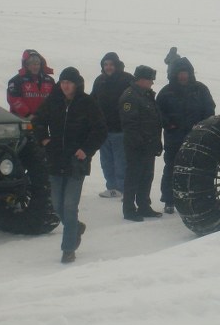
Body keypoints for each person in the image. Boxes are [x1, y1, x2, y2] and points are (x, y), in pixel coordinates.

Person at [33, 67, 107, 264]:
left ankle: (68, 249)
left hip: (76, 162)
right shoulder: (52, 101)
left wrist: (86, 149)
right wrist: (44, 140)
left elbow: (100, 130)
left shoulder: (87, 103)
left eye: (69, 82)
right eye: (63, 82)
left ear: (77, 84)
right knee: (57, 204)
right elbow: (37, 121)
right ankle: (75, 227)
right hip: (55, 160)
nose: (65, 86)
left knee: (69, 205)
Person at [156, 53, 215, 213]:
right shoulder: (166, 92)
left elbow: (209, 109)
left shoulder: (200, 89)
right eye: (180, 73)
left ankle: (194, 199)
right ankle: (169, 200)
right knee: (172, 168)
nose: (183, 76)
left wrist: (202, 125)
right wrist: (169, 124)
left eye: (185, 73)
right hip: (173, 137)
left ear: (190, 73)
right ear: (175, 74)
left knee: (196, 169)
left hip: (196, 137)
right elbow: (157, 112)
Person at [119, 65, 163, 222]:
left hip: (149, 144)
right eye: (150, 80)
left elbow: (154, 120)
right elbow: (130, 125)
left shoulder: (146, 94)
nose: (152, 83)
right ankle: (129, 209)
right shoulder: (130, 96)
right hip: (137, 146)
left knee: (146, 177)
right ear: (141, 80)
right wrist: (139, 144)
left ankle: (144, 205)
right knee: (133, 177)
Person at [91, 52, 135, 199]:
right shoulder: (99, 81)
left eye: (111, 64)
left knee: (121, 161)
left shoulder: (127, 79)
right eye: (106, 64)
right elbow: (92, 101)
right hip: (103, 129)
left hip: (121, 129)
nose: (108, 67)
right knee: (106, 161)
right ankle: (111, 187)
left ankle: (123, 189)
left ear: (116, 65)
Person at [7, 49, 56, 118]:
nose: (35, 67)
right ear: (26, 65)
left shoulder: (49, 81)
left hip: (42, 120)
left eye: (37, 64)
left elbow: (54, 99)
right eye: (32, 64)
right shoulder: (16, 81)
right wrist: (28, 115)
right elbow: (14, 100)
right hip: (21, 119)